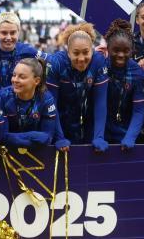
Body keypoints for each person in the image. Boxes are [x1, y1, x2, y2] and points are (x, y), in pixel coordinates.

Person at [46, 23, 108, 151]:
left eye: (86, 52)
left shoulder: (98, 61)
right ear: (68, 52)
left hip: (87, 119)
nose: (81, 58)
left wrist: (99, 136)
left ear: (92, 49)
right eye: (76, 53)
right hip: (61, 120)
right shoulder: (56, 63)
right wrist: (59, 137)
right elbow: (51, 104)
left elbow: (100, 102)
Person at [103, 20, 144, 150]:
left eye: (126, 51)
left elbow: (139, 110)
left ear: (132, 50)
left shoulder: (138, 73)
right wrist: (97, 135)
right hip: (100, 131)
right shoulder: (100, 66)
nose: (121, 55)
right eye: (116, 50)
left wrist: (130, 137)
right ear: (108, 48)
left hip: (125, 132)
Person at [0, 58, 59, 147]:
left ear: (36, 81)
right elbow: (1, 137)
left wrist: (14, 138)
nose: (15, 80)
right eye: (14, 75)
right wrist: (33, 136)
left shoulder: (46, 99)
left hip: (36, 152)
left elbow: (47, 137)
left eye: (22, 77)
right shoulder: (2, 97)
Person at [0, 12, 41, 89]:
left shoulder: (28, 51)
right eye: (4, 33)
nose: (8, 37)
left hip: (17, 95)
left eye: (13, 33)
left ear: (18, 32)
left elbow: (50, 61)